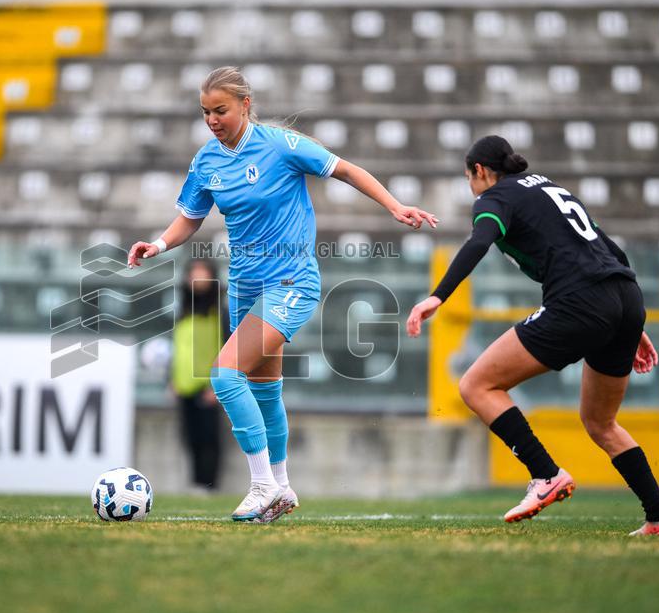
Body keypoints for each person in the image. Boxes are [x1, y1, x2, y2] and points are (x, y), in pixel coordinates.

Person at [129, 66, 437, 522]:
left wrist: (394, 206)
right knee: (265, 391)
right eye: (205, 112)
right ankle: (283, 487)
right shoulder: (206, 161)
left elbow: (345, 169)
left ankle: (261, 485)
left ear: (245, 104)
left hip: (291, 283)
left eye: (220, 110)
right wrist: (157, 245)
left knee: (224, 376)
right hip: (244, 288)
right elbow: (191, 217)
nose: (212, 120)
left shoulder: (281, 145)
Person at [406, 135, 659, 536]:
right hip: (625, 295)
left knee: (476, 385)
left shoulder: (494, 197)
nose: (471, 187)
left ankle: (545, 474)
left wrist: (437, 296)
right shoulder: (550, 187)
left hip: (580, 301)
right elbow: (611, 251)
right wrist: (632, 324)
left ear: (480, 171)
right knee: (601, 422)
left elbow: (479, 241)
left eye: (469, 178)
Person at [171, 258, 226, 492]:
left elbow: (227, 348)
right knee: (190, 437)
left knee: (209, 438)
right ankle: (195, 484)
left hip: (209, 386)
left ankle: (209, 485)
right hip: (184, 385)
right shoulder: (183, 310)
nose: (197, 278)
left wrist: (218, 385)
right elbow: (179, 348)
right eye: (193, 273)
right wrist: (172, 379)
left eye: (202, 273)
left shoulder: (221, 312)